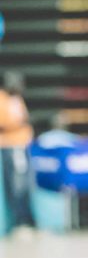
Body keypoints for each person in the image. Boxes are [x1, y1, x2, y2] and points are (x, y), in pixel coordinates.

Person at [0, 71, 35, 234]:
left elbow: (23, 118)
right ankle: (20, 223)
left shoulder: (16, 98)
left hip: (23, 145)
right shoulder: (2, 99)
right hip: (11, 146)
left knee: (25, 185)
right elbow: (6, 123)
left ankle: (28, 221)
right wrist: (19, 124)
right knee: (17, 186)